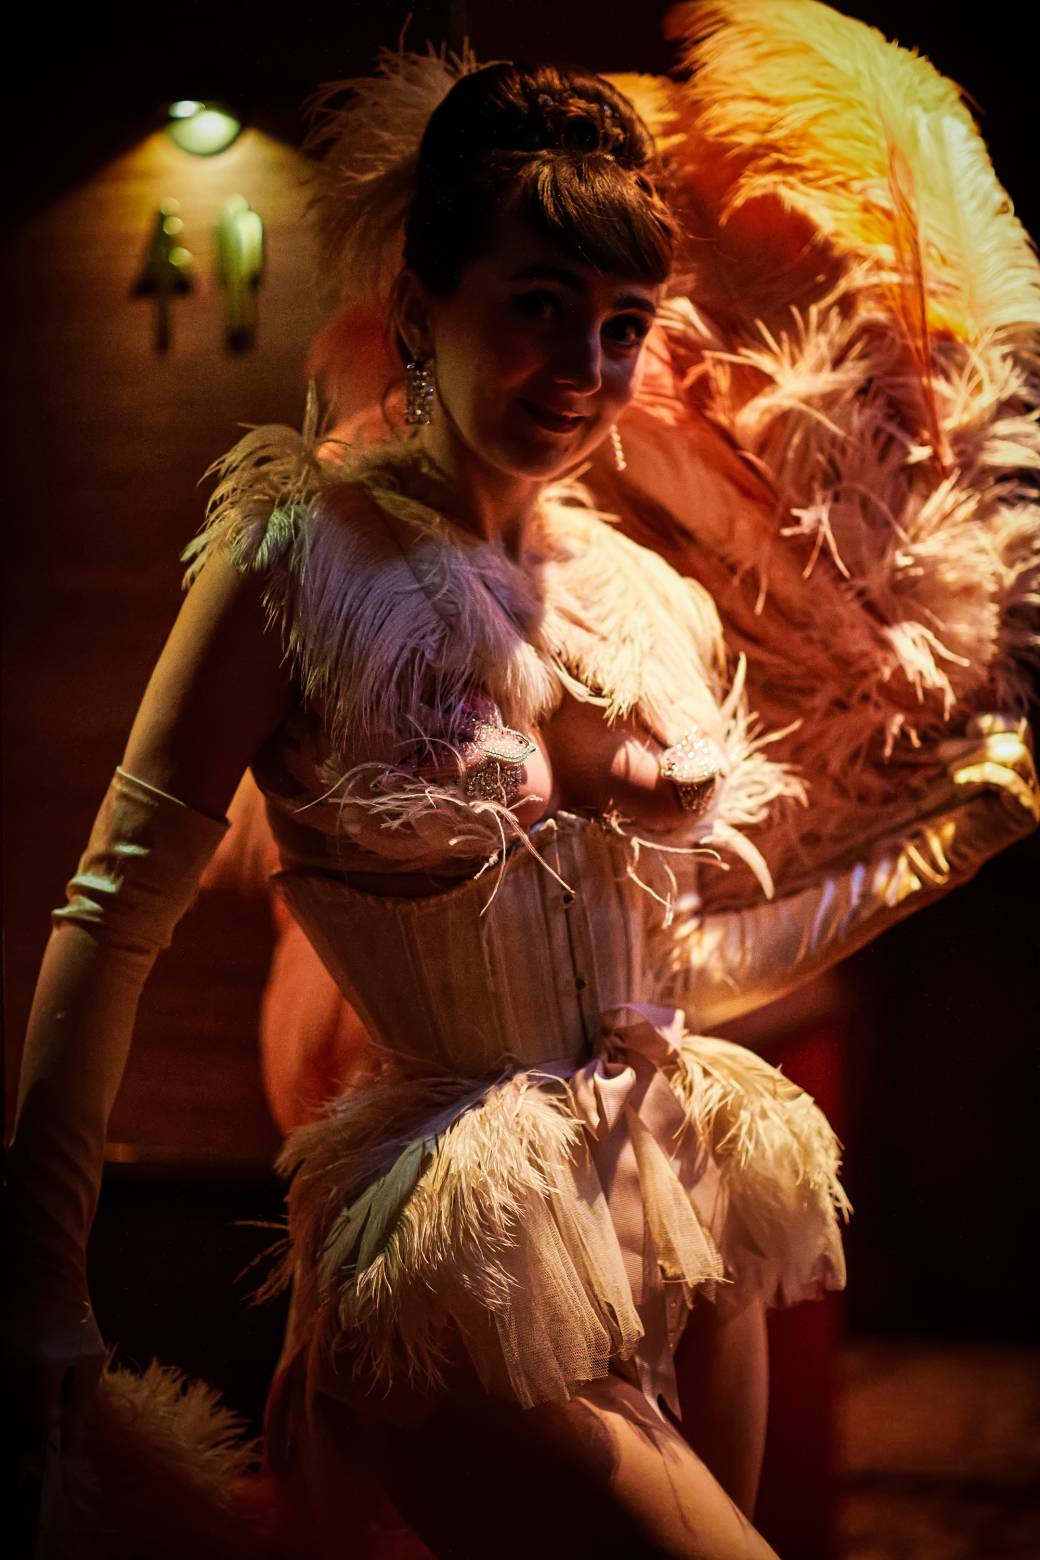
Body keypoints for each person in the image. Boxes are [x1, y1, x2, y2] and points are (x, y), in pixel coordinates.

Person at [6, 3, 1040, 1557]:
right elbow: (109, 915)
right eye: (541, 307)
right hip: (462, 1260)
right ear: (422, 307)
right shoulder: (303, 558)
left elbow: (672, 973)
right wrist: (37, 1291)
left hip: (680, 1233)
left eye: (622, 325)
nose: (584, 366)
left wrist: (939, 846)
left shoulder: (649, 603)